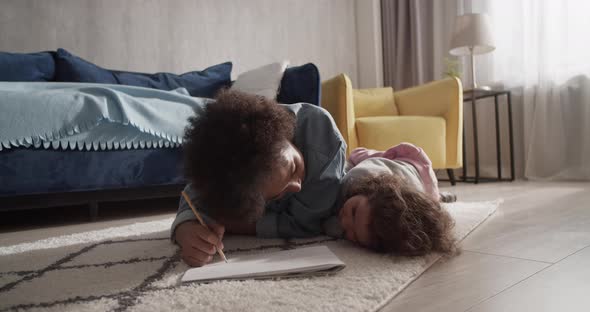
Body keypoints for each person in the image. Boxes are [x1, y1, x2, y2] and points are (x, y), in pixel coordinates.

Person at [172, 89, 347, 267]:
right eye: (275, 196)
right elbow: (194, 197)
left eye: (293, 167)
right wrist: (185, 229)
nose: (297, 186)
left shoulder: (321, 135)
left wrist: (230, 223)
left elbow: (305, 223)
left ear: (284, 134)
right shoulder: (225, 177)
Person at [323, 143, 458, 256]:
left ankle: (440, 196)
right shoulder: (355, 178)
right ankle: (439, 196)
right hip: (414, 167)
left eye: (352, 234)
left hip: (414, 183)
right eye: (353, 211)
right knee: (432, 200)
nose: (344, 221)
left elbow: (328, 226)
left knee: (428, 211)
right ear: (368, 192)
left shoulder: (378, 228)